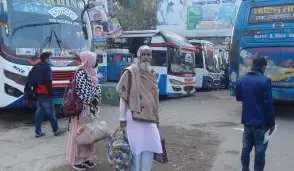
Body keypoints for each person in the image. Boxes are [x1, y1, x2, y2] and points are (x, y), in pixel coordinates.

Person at [116, 45, 162, 171]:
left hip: (151, 118)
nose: (146, 57)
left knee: (150, 146)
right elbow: (123, 96)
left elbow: (155, 98)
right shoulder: (129, 72)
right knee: (135, 149)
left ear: (151, 57)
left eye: (148, 55)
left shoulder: (152, 74)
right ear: (138, 56)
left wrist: (157, 117)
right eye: (144, 55)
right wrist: (122, 117)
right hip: (134, 117)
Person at [236, 57, 275, 171]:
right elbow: (268, 105)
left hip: (247, 121)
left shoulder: (241, 80)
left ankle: (245, 169)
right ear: (263, 67)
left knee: (246, 148)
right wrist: (272, 123)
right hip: (261, 123)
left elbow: (239, 98)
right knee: (260, 150)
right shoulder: (265, 81)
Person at [66, 51, 102, 171]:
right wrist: (93, 101)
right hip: (83, 110)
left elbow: (97, 89)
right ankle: (76, 160)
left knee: (89, 134)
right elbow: (85, 93)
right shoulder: (81, 72)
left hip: (91, 109)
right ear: (88, 59)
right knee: (80, 134)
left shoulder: (91, 72)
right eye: (94, 59)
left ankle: (86, 158)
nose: (96, 61)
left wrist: (96, 100)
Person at [25, 51, 66, 138]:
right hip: (46, 94)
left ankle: (38, 132)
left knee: (39, 113)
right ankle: (56, 130)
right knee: (51, 113)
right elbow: (48, 82)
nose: (51, 60)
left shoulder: (37, 66)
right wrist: (51, 93)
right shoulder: (47, 68)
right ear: (47, 59)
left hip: (38, 93)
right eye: (51, 58)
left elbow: (31, 80)